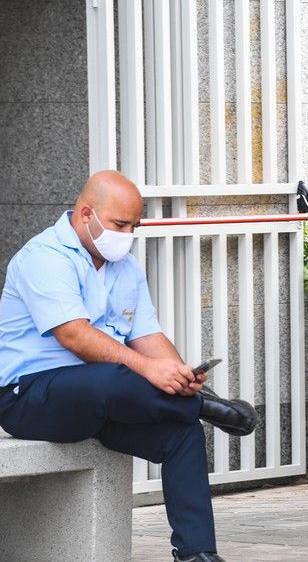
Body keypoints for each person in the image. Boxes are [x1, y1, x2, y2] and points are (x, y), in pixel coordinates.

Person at [0, 171, 258, 562]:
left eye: (134, 226)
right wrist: (152, 372)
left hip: (103, 402)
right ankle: (207, 406)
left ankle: (196, 554)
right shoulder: (44, 258)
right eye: (120, 224)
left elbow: (147, 337)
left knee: (181, 432)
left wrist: (178, 374)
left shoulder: (125, 267)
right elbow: (75, 337)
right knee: (112, 375)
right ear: (86, 213)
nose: (127, 234)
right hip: (29, 398)